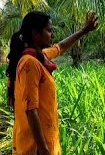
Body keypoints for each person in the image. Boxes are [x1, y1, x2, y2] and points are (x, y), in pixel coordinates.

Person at [6, 11, 99, 155]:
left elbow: (60, 47)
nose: (52, 35)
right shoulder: (29, 63)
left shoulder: (39, 57)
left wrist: (84, 30)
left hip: (45, 143)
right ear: (36, 34)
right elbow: (31, 110)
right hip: (35, 148)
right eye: (49, 30)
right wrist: (44, 150)